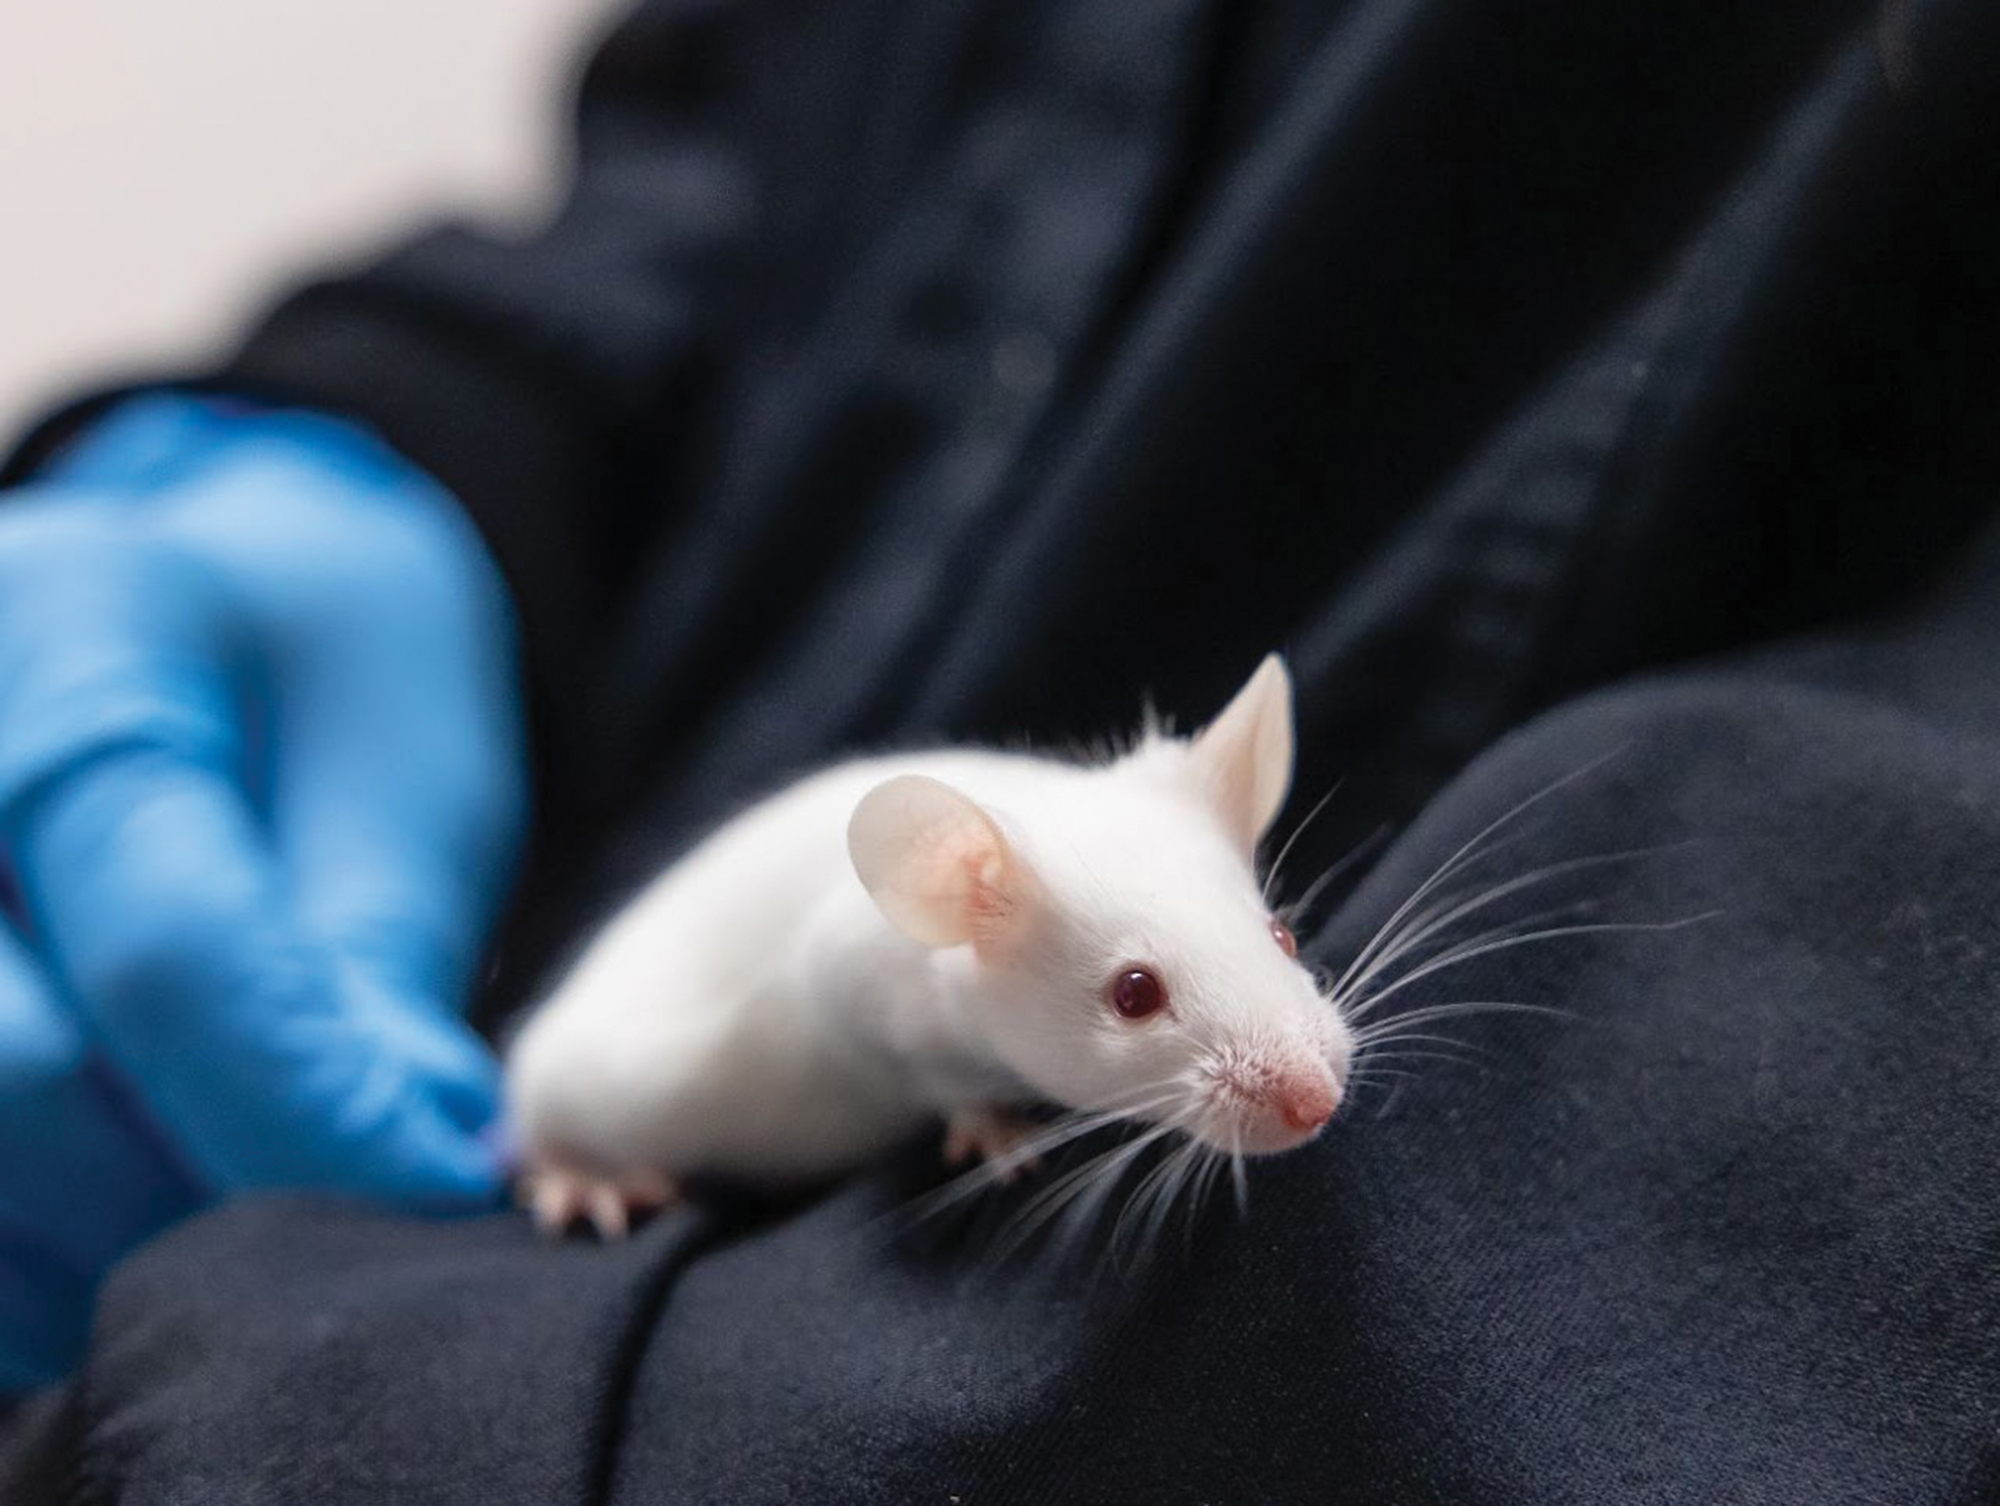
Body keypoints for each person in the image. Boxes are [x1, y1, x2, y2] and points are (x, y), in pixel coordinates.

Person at [4, 0, 1999, 1498]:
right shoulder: (953, 916)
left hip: (456, 1372)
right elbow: (737, 114)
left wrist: (378, 1410)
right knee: (598, 1086)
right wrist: (433, 406)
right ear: (966, 907)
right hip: (576, 1079)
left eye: (1276, 959)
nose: (1299, 1071)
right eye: (1151, 992)